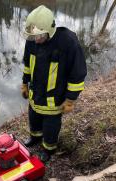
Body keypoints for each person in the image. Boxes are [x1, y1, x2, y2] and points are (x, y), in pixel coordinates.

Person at [21, 5, 87, 162]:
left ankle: (48, 149)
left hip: (54, 98)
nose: (36, 39)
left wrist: (70, 99)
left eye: (39, 36)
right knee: (34, 118)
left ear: (49, 29)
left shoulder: (68, 42)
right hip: (35, 94)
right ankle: (35, 138)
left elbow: (77, 74)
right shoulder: (32, 40)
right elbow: (27, 64)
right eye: (33, 36)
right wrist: (25, 83)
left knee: (51, 126)